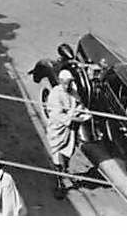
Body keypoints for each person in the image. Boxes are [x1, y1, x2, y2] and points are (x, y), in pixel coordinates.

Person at [44, 68, 90, 198]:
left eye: (69, 82)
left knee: (68, 152)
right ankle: (60, 181)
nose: (67, 85)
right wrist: (75, 118)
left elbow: (79, 104)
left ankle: (64, 171)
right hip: (58, 129)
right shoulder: (55, 94)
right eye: (64, 83)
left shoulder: (72, 92)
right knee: (58, 153)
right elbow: (57, 115)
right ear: (60, 82)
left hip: (70, 131)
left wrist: (85, 113)